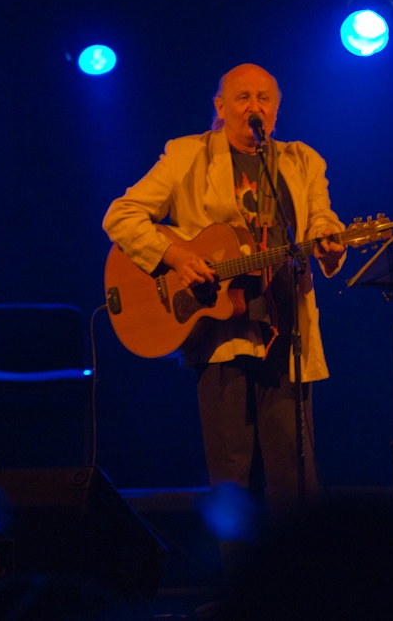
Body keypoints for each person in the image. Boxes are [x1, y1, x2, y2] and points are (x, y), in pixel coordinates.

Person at [102, 63, 346, 516]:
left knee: (296, 474)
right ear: (221, 107)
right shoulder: (186, 154)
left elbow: (321, 219)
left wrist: (331, 244)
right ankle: (241, 583)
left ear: (276, 110)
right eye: (243, 97)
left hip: (285, 328)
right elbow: (121, 216)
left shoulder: (301, 160)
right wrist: (176, 257)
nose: (255, 106)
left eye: (264, 98)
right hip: (219, 334)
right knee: (233, 475)